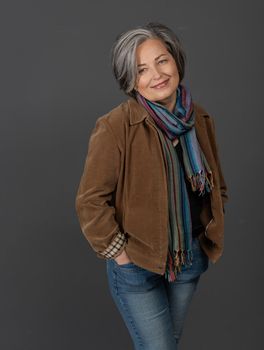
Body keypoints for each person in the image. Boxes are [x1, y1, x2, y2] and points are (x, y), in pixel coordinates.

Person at [75, 22, 229, 350]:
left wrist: (207, 233)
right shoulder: (116, 126)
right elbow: (90, 202)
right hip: (137, 265)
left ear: (176, 61)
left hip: (188, 257)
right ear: (130, 80)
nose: (156, 74)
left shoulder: (198, 118)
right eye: (141, 69)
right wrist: (121, 256)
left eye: (162, 60)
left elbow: (217, 185)